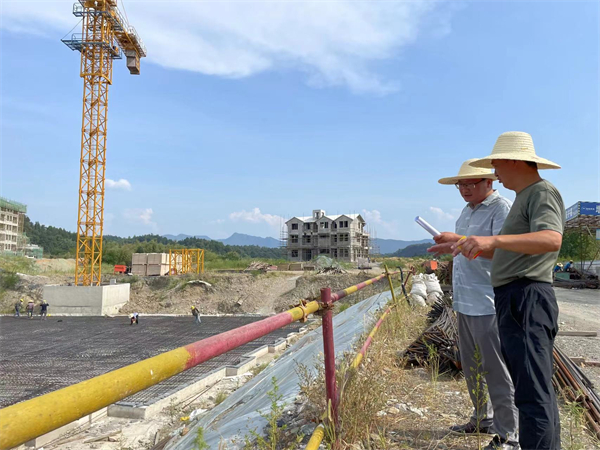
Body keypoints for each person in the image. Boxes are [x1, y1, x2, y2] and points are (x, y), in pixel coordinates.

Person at [452, 131, 564, 450]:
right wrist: (462, 244)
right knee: (531, 388)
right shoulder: (525, 196)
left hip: (526, 297)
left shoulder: (541, 192)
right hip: (516, 297)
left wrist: (493, 240)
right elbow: (508, 249)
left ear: (514, 161)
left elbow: (551, 239)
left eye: (496, 165)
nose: (495, 173)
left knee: (532, 392)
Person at [427, 159, 519, 450]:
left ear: (488, 182)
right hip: (465, 301)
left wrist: (462, 241)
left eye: (470, 184)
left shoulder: (501, 208)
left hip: (488, 301)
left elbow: (505, 251)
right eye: (461, 185)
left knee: (495, 370)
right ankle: (482, 418)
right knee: (472, 366)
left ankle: (509, 435)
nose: (465, 189)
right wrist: (452, 245)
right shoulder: (466, 212)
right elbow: (467, 248)